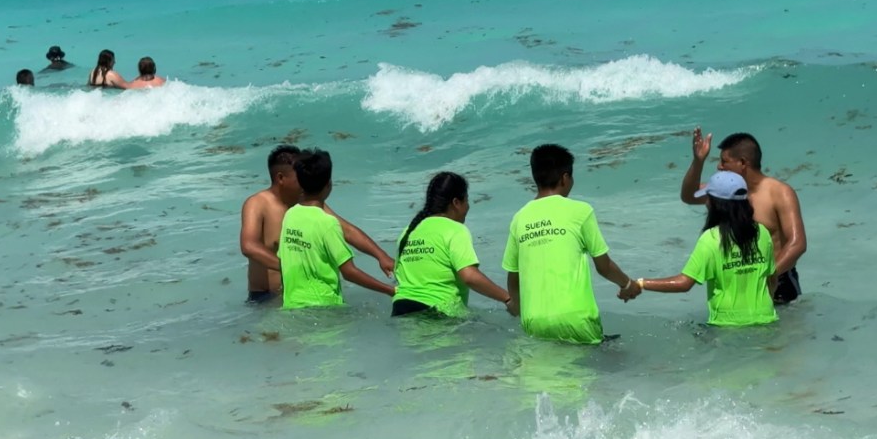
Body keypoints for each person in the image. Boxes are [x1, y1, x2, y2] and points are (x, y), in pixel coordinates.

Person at [502, 144, 641, 345]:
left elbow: (513, 278)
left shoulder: (519, 219)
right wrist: (628, 284)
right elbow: (604, 267)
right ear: (565, 178)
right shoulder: (581, 211)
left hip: (534, 322)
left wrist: (517, 306)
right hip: (576, 319)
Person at [239, 145, 394, 304]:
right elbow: (249, 246)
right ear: (280, 178)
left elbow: (346, 230)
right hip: (266, 297)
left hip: (302, 295)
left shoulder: (305, 203)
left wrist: (381, 255)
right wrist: (292, 266)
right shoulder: (257, 204)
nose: (305, 179)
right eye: (299, 175)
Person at [632, 171, 778, 326]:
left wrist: (640, 283)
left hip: (727, 324)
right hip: (767, 319)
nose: (707, 202)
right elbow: (772, 278)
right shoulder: (762, 232)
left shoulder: (711, 239)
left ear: (716, 204)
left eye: (709, 198)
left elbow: (684, 283)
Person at [681, 129, 806, 304]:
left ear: (742, 163)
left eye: (724, 161)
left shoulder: (779, 193)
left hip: (777, 282)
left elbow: (797, 244)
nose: (719, 166)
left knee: (783, 330)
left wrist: (769, 275)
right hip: (737, 280)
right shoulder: (724, 191)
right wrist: (698, 161)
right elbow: (689, 196)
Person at [392, 172, 515, 318]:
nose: (468, 207)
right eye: (466, 200)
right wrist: (507, 298)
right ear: (456, 203)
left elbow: (399, 275)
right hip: (437, 313)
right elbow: (469, 276)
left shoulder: (408, 231)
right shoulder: (455, 230)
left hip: (400, 311)